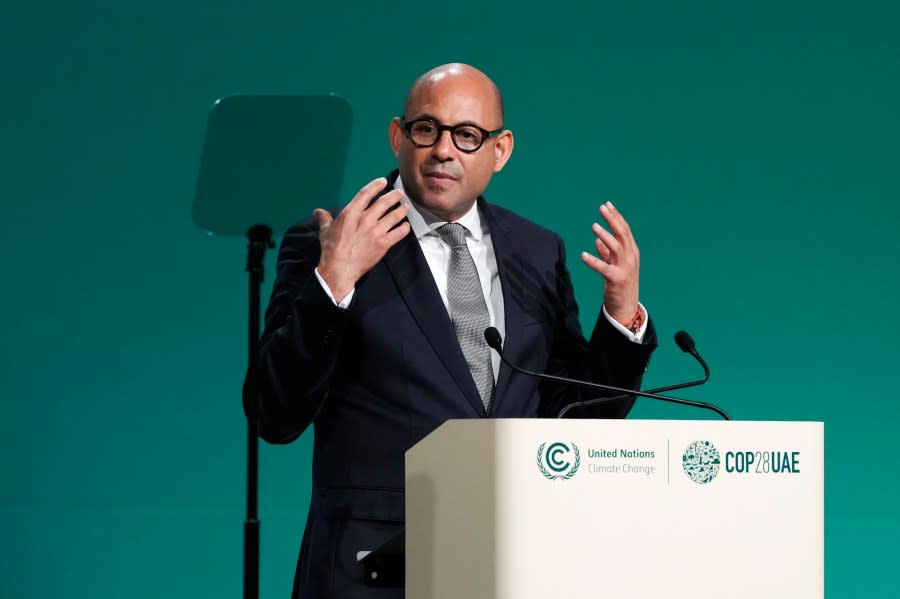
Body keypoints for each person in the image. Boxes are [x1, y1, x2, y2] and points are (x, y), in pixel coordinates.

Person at [244, 63, 657, 599]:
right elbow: (275, 414)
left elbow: (569, 417)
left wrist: (621, 316)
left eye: (467, 135)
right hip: (371, 570)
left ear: (500, 150)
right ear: (398, 136)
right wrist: (334, 280)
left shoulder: (536, 251)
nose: (444, 150)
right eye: (426, 129)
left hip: (511, 560)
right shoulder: (334, 237)